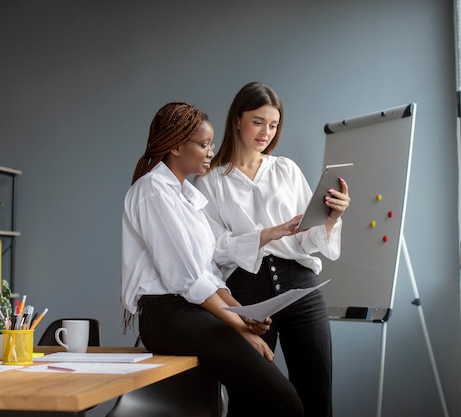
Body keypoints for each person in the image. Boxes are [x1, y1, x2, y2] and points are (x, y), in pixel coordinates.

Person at [121, 101, 303, 417]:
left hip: (191, 310)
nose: (210, 152)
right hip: (167, 315)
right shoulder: (152, 191)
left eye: (212, 144)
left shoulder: (189, 198)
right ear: (176, 147)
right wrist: (239, 327)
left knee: (267, 401)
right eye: (204, 144)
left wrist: (242, 313)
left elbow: (208, 274)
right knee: (285, 403)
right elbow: (188, 279)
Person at [194, 82, 350, 417]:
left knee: (317, 393)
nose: (266, 132)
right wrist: (265, 234)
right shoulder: (210, 182)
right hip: (246, 292)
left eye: (274, 124)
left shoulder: (286, 169)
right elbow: (212, 250)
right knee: (251, 399)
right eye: (258, 121)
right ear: (237, 119)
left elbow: (305, 237)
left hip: (302, 286)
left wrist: (331, 219)